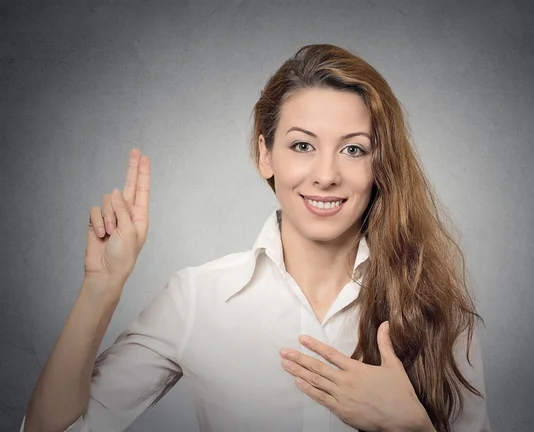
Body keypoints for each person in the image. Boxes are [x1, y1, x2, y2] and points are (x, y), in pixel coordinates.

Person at [21, 44, 491, 432]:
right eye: (302, 145)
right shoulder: (197, 298)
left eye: (353, 149)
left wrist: (413, 427)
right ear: (265, 155)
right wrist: (100, 288)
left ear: (379, 165)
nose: (326, 175)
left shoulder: (437, 309)